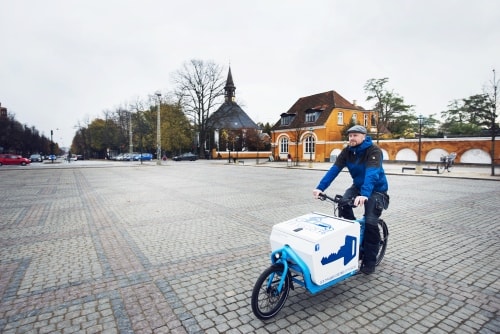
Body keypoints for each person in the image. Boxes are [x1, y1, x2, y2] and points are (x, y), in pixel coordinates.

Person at [312, 125, 389, 274]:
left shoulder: (374, 151)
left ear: (364, 136)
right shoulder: (347, 152)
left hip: (377, 190)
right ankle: (354, 232)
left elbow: (372, 174)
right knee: (343, 204)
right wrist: (320, 188)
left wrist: (365, 195)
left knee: (370, 221)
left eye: (355, 135)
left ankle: (370, 261)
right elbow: (334, 170)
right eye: (350, 135)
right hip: (358, 187)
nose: (352, 138)